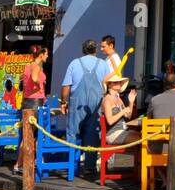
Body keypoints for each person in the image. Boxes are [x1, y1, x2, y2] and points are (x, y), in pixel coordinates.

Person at [60, 39, 113, 178]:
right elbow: (108, 85)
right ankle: (90, 167)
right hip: (96, 104)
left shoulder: (74, 63)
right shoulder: (103, 64)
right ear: (95, 50)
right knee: (92, 135)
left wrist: (63, 102)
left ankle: (72, 165)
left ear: (83, 50)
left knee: (73, 133)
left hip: (77, 102)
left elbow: (66, 86)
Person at [101, 75, 136, 144]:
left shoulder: (118, 98)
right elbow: (110, 121)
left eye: (120, 82)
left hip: (123, 130)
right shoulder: (107, 100)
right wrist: (123, 111)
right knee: (141, 139)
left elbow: (128, 116)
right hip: (113, 134)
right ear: (109, 85)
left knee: (143, 135)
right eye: (116, 82)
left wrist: (131, 102)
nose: (119, 83)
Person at [20, 46, 49, 114]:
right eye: (46, 54)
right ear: (41, 55)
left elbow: (23, 83)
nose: (47, 56)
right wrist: (40, 85)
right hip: (35, 102)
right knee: (35, 123)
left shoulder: (28, 66)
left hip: (27, 100)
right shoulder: (36, 66)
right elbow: (34, 78)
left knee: (27, 123)